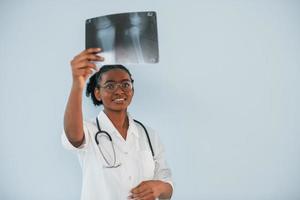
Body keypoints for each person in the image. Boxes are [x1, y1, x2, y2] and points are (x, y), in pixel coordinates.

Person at [62, 48, 173, 200]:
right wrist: (77, 83)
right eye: (110, 85)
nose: (119, 91)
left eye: (125, 85)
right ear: (97, 93)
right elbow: (74, 136)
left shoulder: (148, 135)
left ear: (132, 90)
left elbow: (166, 185)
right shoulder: (88, 130)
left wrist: (160, 187)